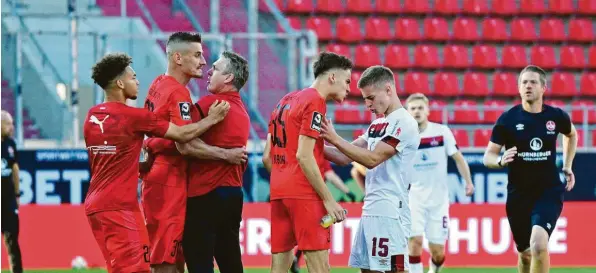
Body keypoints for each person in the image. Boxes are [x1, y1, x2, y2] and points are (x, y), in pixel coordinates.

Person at [84, 53, 230, 273]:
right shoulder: (134, 117)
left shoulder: (91, 117)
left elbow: (109, 162)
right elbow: (182, 134)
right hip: (120, 207)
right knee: (138, 269)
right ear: (120, 83)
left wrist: (144, 165)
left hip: (95, 205)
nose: (138, 81)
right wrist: (212, 119)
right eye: (133, 78)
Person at [153, 51, 250, 273]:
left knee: (199, 265)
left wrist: (152, 145)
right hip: (234, 194)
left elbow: (183, 141)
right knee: (231, 263)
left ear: (228, 78)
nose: (208, 71)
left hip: (205, 195)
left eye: (215, 68)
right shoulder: (242, 111)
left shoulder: (209, 104)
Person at [323, 65, 420, 273]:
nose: (368, 104)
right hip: (371, 208)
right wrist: (313, 143)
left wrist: (334, 138)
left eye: (371, 98)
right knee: (367, 269)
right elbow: (343, 156)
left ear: (388, 89)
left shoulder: (404, 123)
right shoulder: (377, 124)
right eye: (365, 99)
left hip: (391, 209)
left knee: (395, 269)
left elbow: (372, 159)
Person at [262, 52, 352, 273]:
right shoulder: (315, 102)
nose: (349, 88)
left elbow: (267, 156)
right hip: (304, 194)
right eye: (347, 81)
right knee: (319, 268)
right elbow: (303, 155)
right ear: (332, 77)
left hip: (279, 192)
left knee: (279, 268)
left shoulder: (285, 101)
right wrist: (329, 199)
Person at [483, 65, 577, 273]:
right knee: (525, 254)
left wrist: (568, 165)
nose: (528, 86)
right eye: (524, 82)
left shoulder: (556, 116)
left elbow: (571, 134)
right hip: (518, 195)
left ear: (543, 87)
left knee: (539, 244)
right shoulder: (507, 120)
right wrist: (499, 161)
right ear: (518, 88)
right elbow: (488, 156)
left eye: (533, 82)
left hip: (548, 190)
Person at [405, 93, 475, 273]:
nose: (417, 111)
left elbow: (458, 158)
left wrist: (468, 182)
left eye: (420, 108)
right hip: (413, 198)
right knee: (415, 242)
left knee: (437, 252)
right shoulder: (404, 137)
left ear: (427, 111)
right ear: (407, 112)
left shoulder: (442, 132)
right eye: (413, 108)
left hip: (439, 201)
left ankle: (434, 270)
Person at [1, 110, 23, 273]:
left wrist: (17, 194)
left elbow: (15, 168)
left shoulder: (10, 144)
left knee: (12, 240)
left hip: (8, 200)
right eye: (8, 123)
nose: (12, 127)